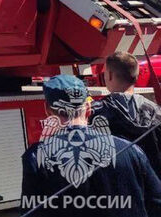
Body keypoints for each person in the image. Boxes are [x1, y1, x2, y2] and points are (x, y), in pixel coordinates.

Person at [20, 75, 161, 216]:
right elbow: (156, 202)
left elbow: (31, 212)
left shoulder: (35, 157)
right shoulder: (130, 150)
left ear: (47, 110)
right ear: (88, 108)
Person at [93, 51, 161, 175]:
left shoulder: (97, 112)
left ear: (110, 75)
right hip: (152, 184)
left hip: (117, 186)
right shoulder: (156, 112)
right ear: (136, 75)